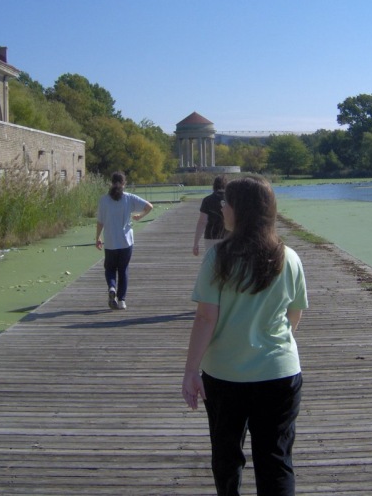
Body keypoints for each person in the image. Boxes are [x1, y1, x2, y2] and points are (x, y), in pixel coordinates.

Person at [182, 175, 308, 496]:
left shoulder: (218, 258)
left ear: (242, 211)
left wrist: (190, 371)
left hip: (225, 376)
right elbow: (294, 315)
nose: (222, 208)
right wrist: (272, 343)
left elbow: (206, 317)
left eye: (227, 203)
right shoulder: (288, 257)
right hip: (280, 374)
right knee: (276, 460)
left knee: (226, 457)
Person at [95, 171, 153, 310]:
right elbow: (149, 206)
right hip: (126, 241)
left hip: (110, 242)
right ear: (124, 183)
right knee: (123, 270)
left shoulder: (104, 200)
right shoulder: (129, 198)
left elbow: (100, 221)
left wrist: (97, 237)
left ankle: (112, 288)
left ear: (111, 183)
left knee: (109, 269)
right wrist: (140, 216)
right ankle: (121, 300)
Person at [192, 175, 227, 256]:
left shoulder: (207, 200)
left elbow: (202, 222)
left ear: (214, 186)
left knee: (212, 264)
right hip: (229, 236)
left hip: (211, 237)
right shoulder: (233, 199)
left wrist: (196, 243)